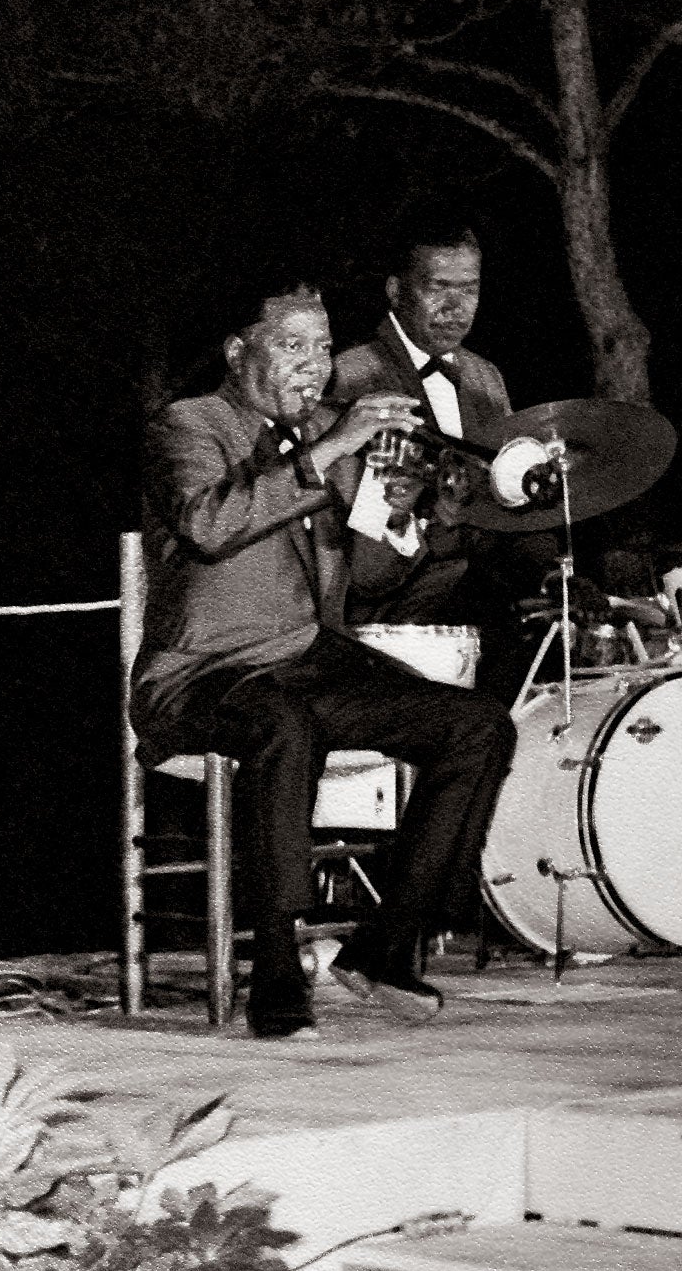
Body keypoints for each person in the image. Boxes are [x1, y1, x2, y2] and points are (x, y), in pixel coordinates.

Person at [132, 275, 515, 1039]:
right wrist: (332, 450)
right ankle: (275, 970)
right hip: (200, 672)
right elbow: (211, 525)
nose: (314, 365)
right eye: (293, 346)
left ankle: (383, 947)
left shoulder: (330, 443)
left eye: (323, 347)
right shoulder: (191, 423)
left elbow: (370, 581)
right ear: (240, 352)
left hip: (307, 660)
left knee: (479, 726)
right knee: (285, 724)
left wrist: (409, 509)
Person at [331, 209, 547, 702]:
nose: (456, 306)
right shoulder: (351, 375)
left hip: (478, 587)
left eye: (469, 289)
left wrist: (550, 572)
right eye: (438, 287)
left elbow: (508, 500)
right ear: (396, 291)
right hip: (388, 600)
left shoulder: (485, 378)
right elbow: (347, 532)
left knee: (561, 616)